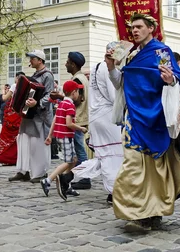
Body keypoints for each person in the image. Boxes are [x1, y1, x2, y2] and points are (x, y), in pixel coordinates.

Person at [106, 14, 180, 230]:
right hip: (134, 118)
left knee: (155, 168)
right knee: (133, 164)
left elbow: (177, 78)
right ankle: (137, 211)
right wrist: (111, 68)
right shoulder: (130, 55)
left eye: (139, 27)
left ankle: (152, 211)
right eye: (132, 27)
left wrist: (171, 79)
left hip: (155, 117)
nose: (134, 30)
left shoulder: (160, 52)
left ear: (150, 28)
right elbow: (121, 84)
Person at [67, 42, 124, 204]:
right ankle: (113, 193)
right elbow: (114, 97)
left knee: (103, 156)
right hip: (108, 117)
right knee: (113, 156)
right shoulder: (107, 69)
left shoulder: (97, 67)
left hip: (97, 117)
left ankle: (68, 176)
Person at [8, 49, 54, 184]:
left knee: (38, 144)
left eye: (33, 58)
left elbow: (49, 95)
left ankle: (40, 172)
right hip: (29, 115)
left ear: (40, 60)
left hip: (40, 115)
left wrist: (37, 103)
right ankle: (24, 170)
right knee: (24, 141)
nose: (30, 61)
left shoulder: (48, 75)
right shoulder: (35, 74)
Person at [50, 51, 91, 191]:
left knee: (79, 152)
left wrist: (61, 97)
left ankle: (85, 178)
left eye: (67, 62)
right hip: (79, 119)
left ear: (73, 64)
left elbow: (78, 100)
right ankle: (70, 177)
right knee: (77, 152)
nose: (65, 64)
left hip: (76, 120)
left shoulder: (77, 80)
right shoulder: (81, 78)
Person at [41, 80, 87, 200]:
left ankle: (66, 184)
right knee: (69, 161)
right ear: (73, 92)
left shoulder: (61, 103)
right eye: (78, 91)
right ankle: (49, 180)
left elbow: (55, 120)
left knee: (73, 160)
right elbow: (69, 123)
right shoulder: (70, 105)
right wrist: (80, 128)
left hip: (60, 136)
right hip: (67, 136)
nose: (79, 94)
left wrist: (50, 135)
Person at [0, 72, 25, 167]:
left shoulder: (14, 86)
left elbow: (4, 98)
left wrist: (3, 91)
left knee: (5, 136)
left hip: (11, 114)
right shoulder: (25, 87)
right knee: (16, 138)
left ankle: (2, 158)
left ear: (17, 78)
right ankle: (15, 158)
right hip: (19, 115)